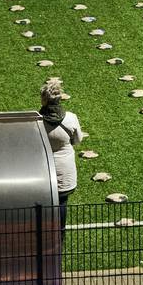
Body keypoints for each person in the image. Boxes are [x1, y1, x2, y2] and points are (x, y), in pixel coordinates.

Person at [40, 78, 84, 214]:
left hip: (42, 169)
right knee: (62, 203)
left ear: (44, 99)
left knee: (43, 206)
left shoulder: (37, 119)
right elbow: (78, 140)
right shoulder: (71, 117)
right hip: (65, 170)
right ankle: (60, 228)